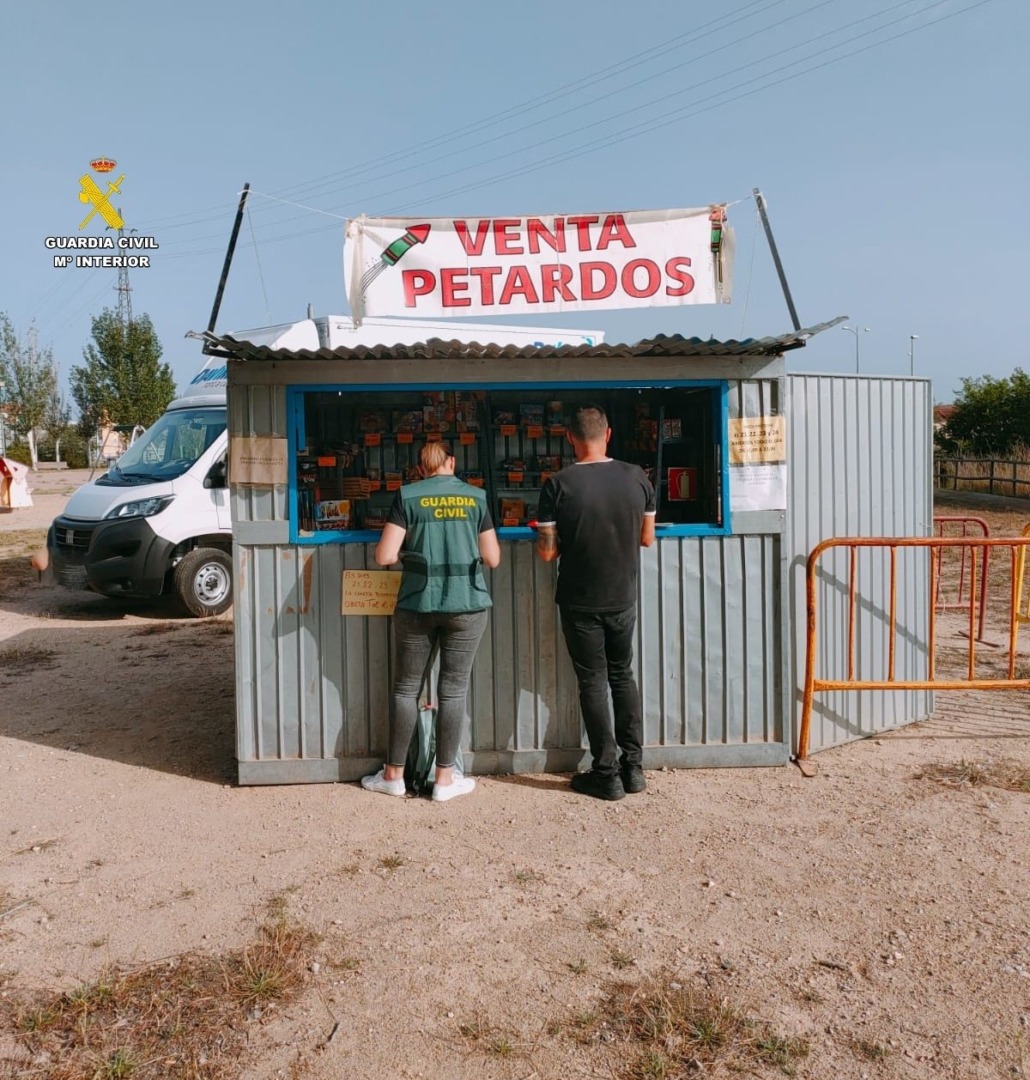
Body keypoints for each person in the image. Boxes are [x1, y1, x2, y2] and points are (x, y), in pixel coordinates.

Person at [362, 441, 501, 802]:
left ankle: (393, 776)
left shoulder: (408, 496)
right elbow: (493, 557)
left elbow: (385, 555)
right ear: (452, 463)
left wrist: (417, 555)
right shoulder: (476, 498)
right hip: (467, 605)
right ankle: (444, 780)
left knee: (406, 689)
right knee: (453, 690)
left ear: (420, 469)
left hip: (417, 603)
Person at [535, 405, 656, 801]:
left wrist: (544, 531)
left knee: (593, 682)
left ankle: (606, 773)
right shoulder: (637, 477)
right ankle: (633, 769)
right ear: (608, 435)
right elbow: (646, 538)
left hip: (580, 600)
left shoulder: (557, 484)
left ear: (570, 438)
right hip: (623, 596)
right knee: (623, 676)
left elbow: (548, 555)